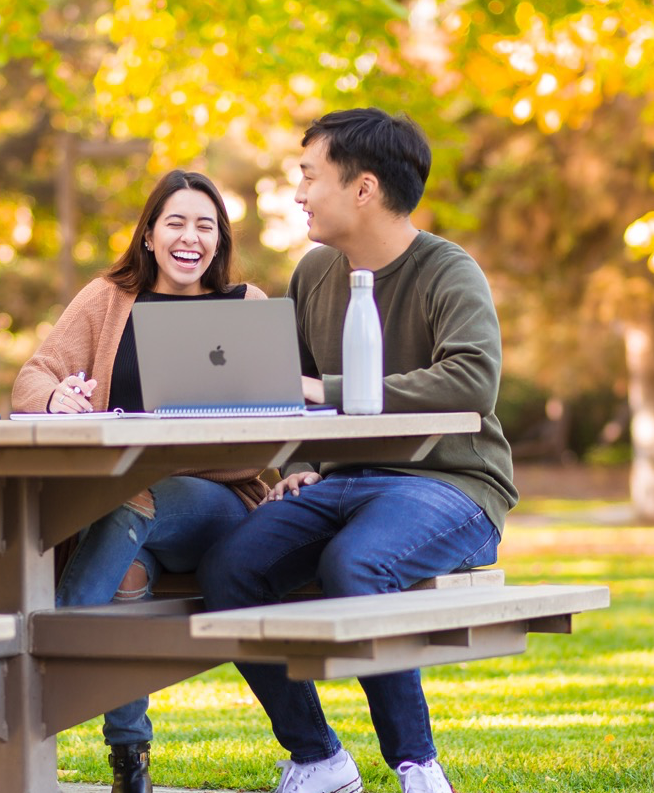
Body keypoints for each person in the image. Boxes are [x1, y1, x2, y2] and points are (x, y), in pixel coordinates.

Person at [198, 108, 514, 793]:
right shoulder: (315, 274)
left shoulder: (448, 271)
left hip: (451, 484)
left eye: (310, 177)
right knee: (227, 570)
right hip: (341, 481)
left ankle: (417, 766)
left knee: (357, 563)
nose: (299, 193)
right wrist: (299, 463)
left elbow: (472, 379)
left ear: (363, 188)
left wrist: (327, 388)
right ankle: (318, 757)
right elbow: (292, 396)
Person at [10, 169, 269, 793]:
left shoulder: (245, 305)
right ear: (149, 235)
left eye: (205, 225)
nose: (190, 237)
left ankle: (55, 641)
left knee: (127, 501)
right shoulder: (107, 298)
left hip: (219, 502)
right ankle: (131, 760)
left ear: (220, 240)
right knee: (124, 581)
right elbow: (31, 378)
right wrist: (57, 401)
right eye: (175, 222)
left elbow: (279, 409)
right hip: (122, 515)